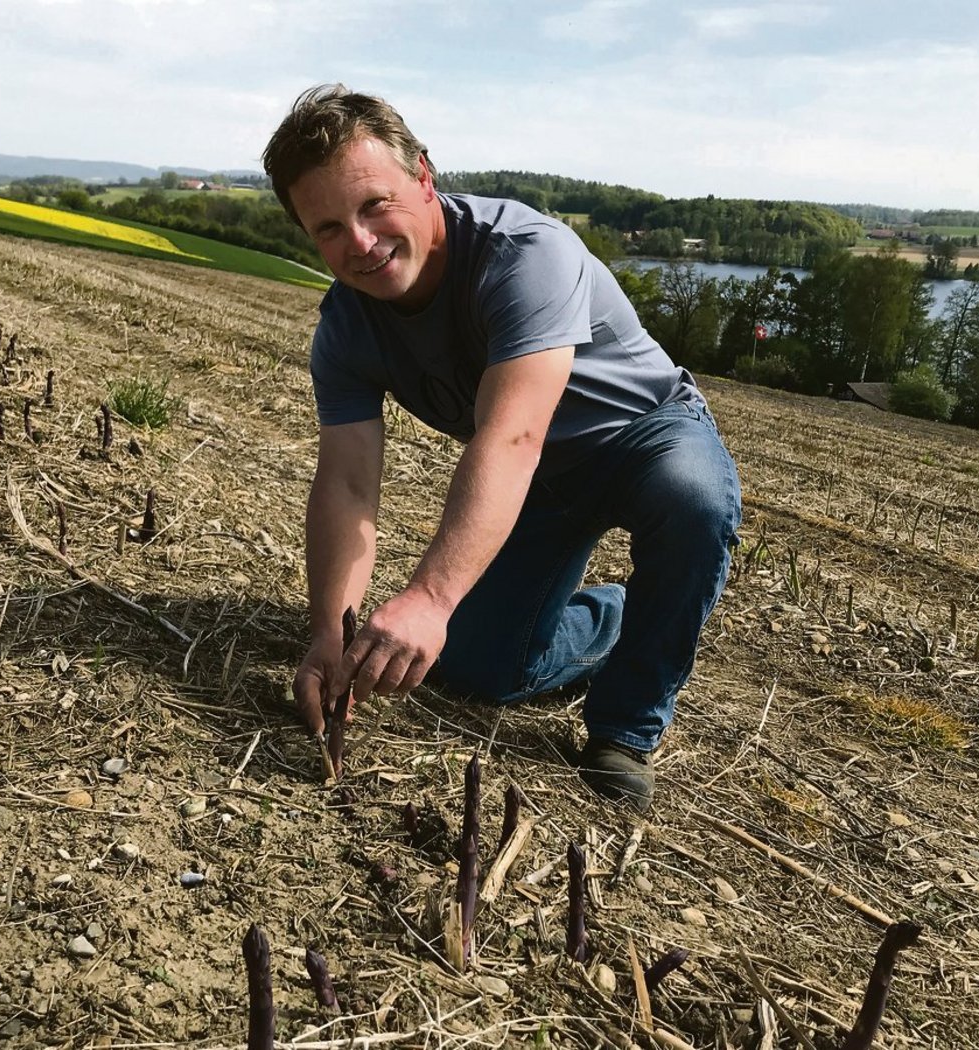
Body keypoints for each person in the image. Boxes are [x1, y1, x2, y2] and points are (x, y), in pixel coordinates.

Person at [264, 85, 742, 811]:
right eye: (328, 227)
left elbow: (512, 436)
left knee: (694, 503)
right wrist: (330, 634)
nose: (359, 242)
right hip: (541, 479)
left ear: (424, 176)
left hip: (645, 433)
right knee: (481, 669)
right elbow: (348, 484)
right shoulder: (345, 329)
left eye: (374, 205)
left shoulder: (524, 254)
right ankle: (616, 616)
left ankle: (625, 729)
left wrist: (430, 598)